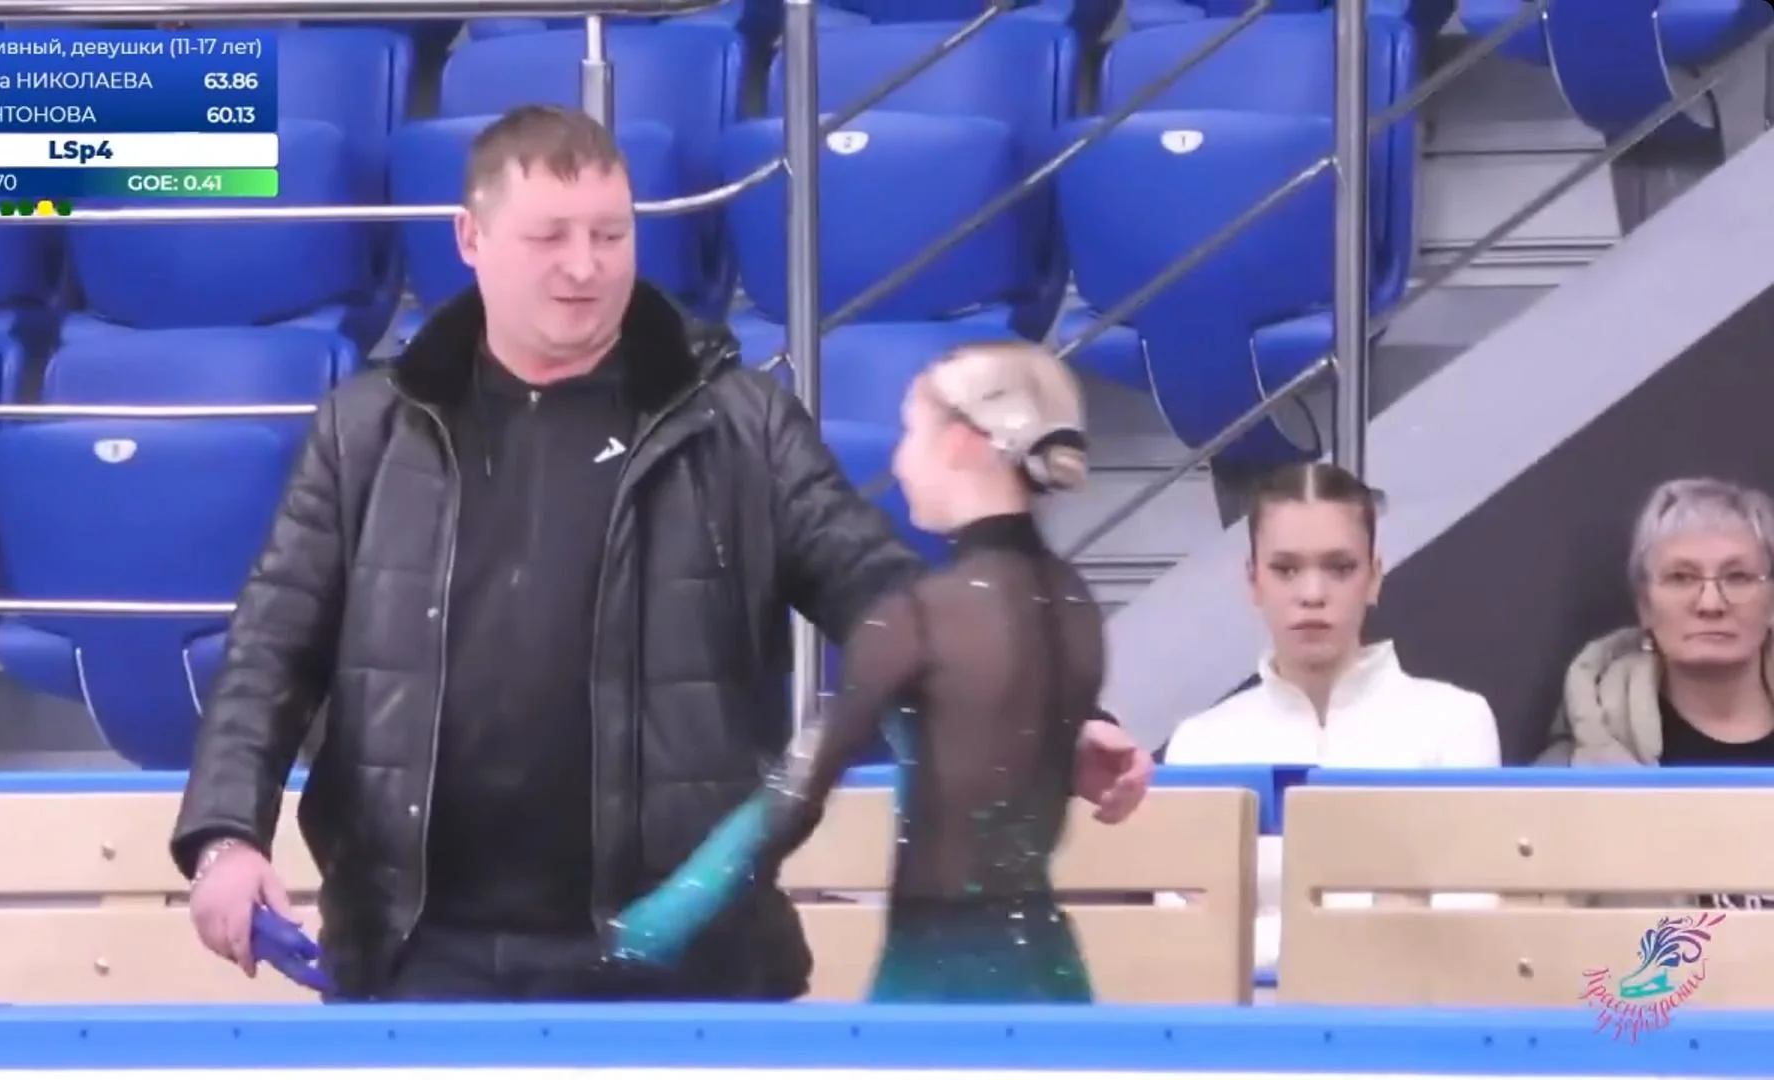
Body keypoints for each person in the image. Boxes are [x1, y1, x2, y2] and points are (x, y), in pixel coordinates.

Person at [170, 105, 1152, 1002]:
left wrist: (1046, 719)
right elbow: (271, 649)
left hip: (685, 970)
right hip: (417, 955)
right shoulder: (365, 431)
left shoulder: (740, 419)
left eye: (611, 234)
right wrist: (225, 837)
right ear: (470, 239)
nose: (585, 266)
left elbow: (882, 588)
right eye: (550, 237)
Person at [609, 341, 1110, 1003]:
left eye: (910, 432)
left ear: (961, 443)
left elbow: (790, 800)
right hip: (1052, 972)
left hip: (937, 977)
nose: (898, 460)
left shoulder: (922, 618)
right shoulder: (1075, 602)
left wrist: (648, 929)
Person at [1161, 462, 1500, 972]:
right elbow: (1185, 939)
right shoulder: (1200, 744)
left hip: (1407, 1016)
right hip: (1244, 1022)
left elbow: (1467, 921)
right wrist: (1385, 914)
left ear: (1374, 577)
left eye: (1339, 568)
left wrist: (1256, 927)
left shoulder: (1455, 722)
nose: (1313, 594)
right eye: (1286, 569)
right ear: (1253, 580)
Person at [1542, 477, 1774, 768]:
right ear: (1644, 603)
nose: (1710, 604)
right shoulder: (1567, 771)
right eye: (1681, 577)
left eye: (1737, 577)